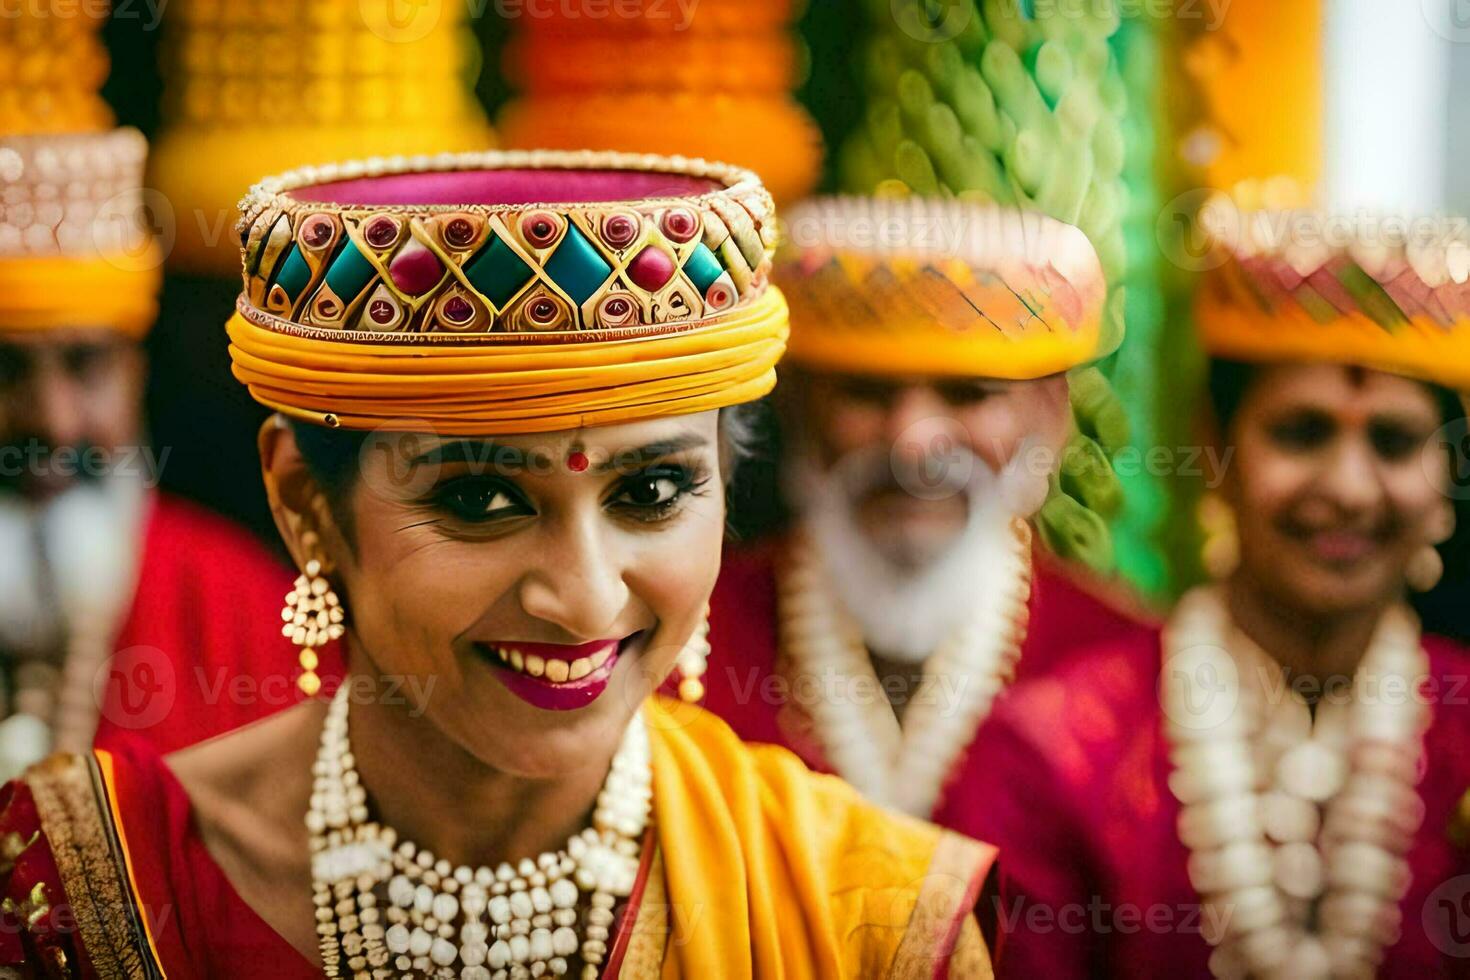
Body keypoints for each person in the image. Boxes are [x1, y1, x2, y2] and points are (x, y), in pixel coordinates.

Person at [0, 151, 997, 977]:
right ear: (307, 502)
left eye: (649, 492)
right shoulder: (91, 892)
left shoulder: (870, 920)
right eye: (479, 497)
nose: (583, 596)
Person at [966, 198, 1470, 977]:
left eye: (1395, 442)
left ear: (1445, 478)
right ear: (1215, 450)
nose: (1349, 487)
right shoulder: (1058, 750)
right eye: (1302, 432)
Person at [701, 195, 1153, 822]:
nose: (913, 444)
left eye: (967, 394)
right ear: (799, 407)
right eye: (867, 392)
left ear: (1049, 416)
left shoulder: (1120, 669)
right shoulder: (690, 648)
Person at [0, 119, 321, 768]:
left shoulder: (248, 609)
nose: (54, 424)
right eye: (4, 371)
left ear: (137, 373)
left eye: (86, 364)